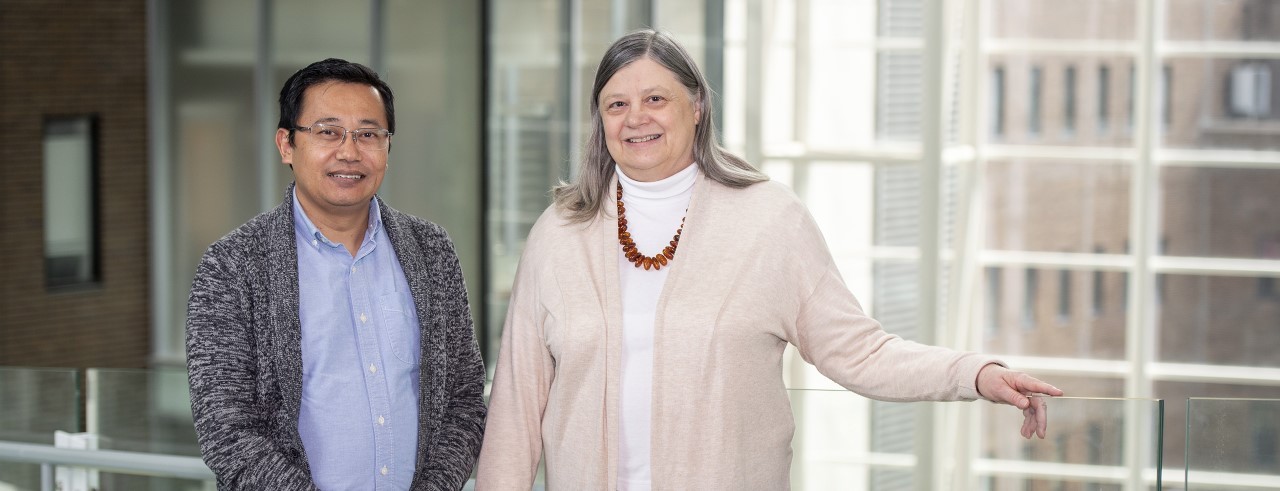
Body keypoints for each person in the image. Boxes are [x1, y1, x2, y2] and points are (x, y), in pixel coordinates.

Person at [475, 30, 1062, 489]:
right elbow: (518, 404)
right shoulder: (559, 232)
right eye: (616, 104)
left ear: (697, 106)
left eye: (657, 98)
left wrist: (976, 374)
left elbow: (858, 350)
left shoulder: (769, 221)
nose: (636, 119)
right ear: (599, 120)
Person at [185, 58, 486, 490]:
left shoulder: (431, 250)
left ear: (387, 147)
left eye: (369, 134)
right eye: (328, 132)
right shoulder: (233, 265)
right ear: (286, 145)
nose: (350, 151)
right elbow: (226, 427)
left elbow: (462, 399)